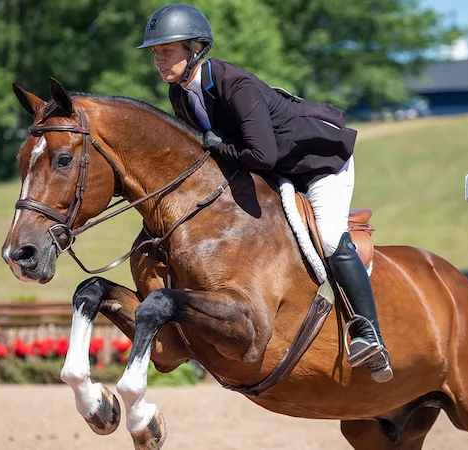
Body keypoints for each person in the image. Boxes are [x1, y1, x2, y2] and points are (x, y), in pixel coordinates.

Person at [137, 4, 393, 382]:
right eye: (156, 53)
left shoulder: (233, 85)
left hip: (317, 163)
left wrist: (217, 144)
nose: (159, 60)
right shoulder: (180, 94)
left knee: (328, 238)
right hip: (275, 170)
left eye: (166, 51)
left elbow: (261, 152)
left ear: (194, 49)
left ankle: (369, 334)